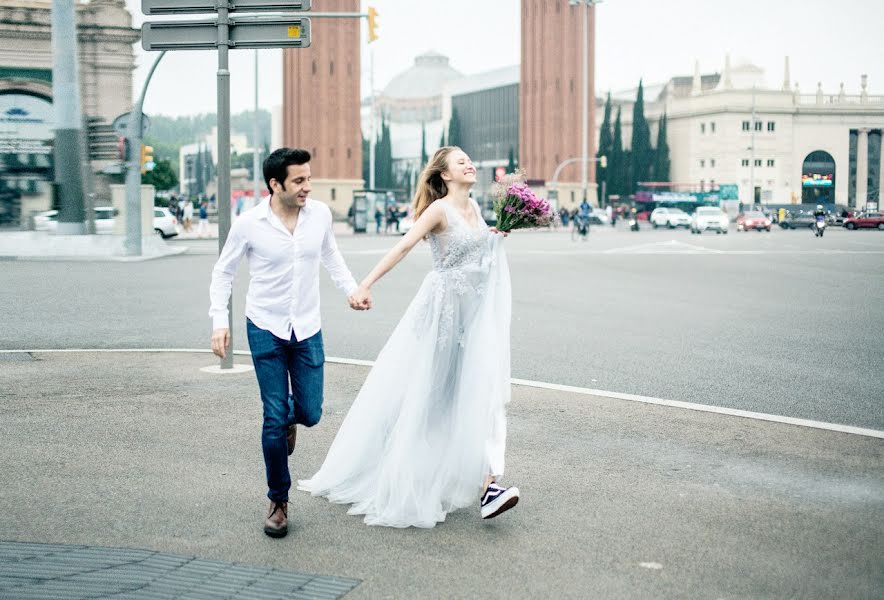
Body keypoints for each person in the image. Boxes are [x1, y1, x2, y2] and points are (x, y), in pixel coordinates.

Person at [299, 146, 519, 528]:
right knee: (431, 395)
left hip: (475, 315)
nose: (469, 164)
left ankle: (488, 486)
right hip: (444, 313)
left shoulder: (478, 210)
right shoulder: (439, 210)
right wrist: (364, 285)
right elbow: (403, 246)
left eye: (469, 160)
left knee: (476, 391)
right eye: (461, 161)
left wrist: (498, 234)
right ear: (445, 175)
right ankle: (404, 477)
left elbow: (479, 256)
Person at [208, 147, 367, 539]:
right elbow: (223, 272)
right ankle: (279, 500)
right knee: (273, 417)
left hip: (307, 328)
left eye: (309, 179)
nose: (307, 187)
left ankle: (292, 420)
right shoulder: (249, 224)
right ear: (274, 184)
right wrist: (218, 322)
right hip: (265, 327)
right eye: (299, 181)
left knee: (310, 411)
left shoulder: (320, 216)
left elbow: (332, 257)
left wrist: (352, 290)